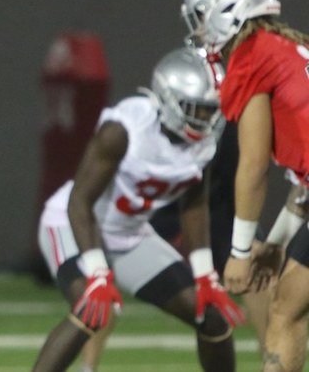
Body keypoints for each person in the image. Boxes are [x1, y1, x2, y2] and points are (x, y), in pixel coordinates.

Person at [32, 48, 243, 371]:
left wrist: (204, 274)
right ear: (169, 99)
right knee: (92, 311)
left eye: (211, 110)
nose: (206, 120)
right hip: (72, 225)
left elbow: (194, 202)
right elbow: (80, 201)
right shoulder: (124, 129)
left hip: (129, 234)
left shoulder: (205, 141)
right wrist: (98, 273)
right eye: (197, 110)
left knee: (211, 316)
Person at [181, 0, 309, 371]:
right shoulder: (289, 48)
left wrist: (239, 252)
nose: (200, 29)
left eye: (203, 15)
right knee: (287, 310)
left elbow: (252, 166)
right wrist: (274, 242)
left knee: (287, 313)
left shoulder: (253, 57)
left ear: (229, 10)